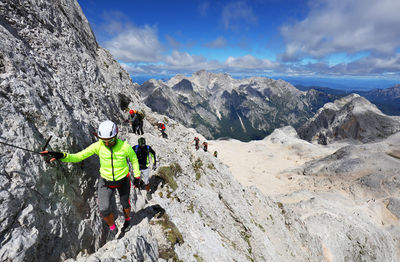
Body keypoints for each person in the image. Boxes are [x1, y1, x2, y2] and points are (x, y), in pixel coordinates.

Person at [40, 120, 140, 241]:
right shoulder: (98, 146)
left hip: (123, 179)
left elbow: (134, 159)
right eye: (104, 141)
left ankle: (128, 220)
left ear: (116, 136)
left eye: (110, 140)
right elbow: (78, 156)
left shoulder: (125, 147)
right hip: (106, 181)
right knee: (104, 209)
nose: (107, 143)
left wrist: (137, 176)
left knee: (125, 204)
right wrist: (60, 155)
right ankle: (113, 228)